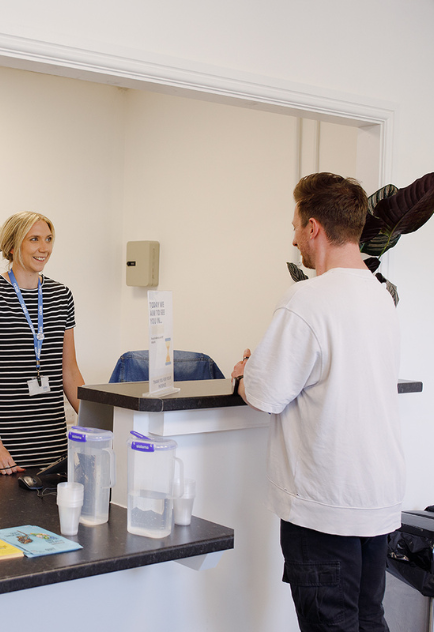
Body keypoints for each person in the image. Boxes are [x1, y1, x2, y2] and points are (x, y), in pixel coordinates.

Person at [231, 173, 404, 632]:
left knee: (331, 624)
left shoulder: (307, 299)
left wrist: (246, 375)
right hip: (376, 500)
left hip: (325, 505)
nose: (293, 239)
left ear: (314, 227)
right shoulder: (379, 295)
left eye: (294, 226)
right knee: (369, 620)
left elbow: (265, 395)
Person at [0, 212, 85, 475]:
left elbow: (70, 372)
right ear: (12, 245)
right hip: (4, 447)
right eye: (34, 239)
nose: (44, 248)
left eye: (48, 239)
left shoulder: (61, 295)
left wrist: (98, 424)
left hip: (52, 445)